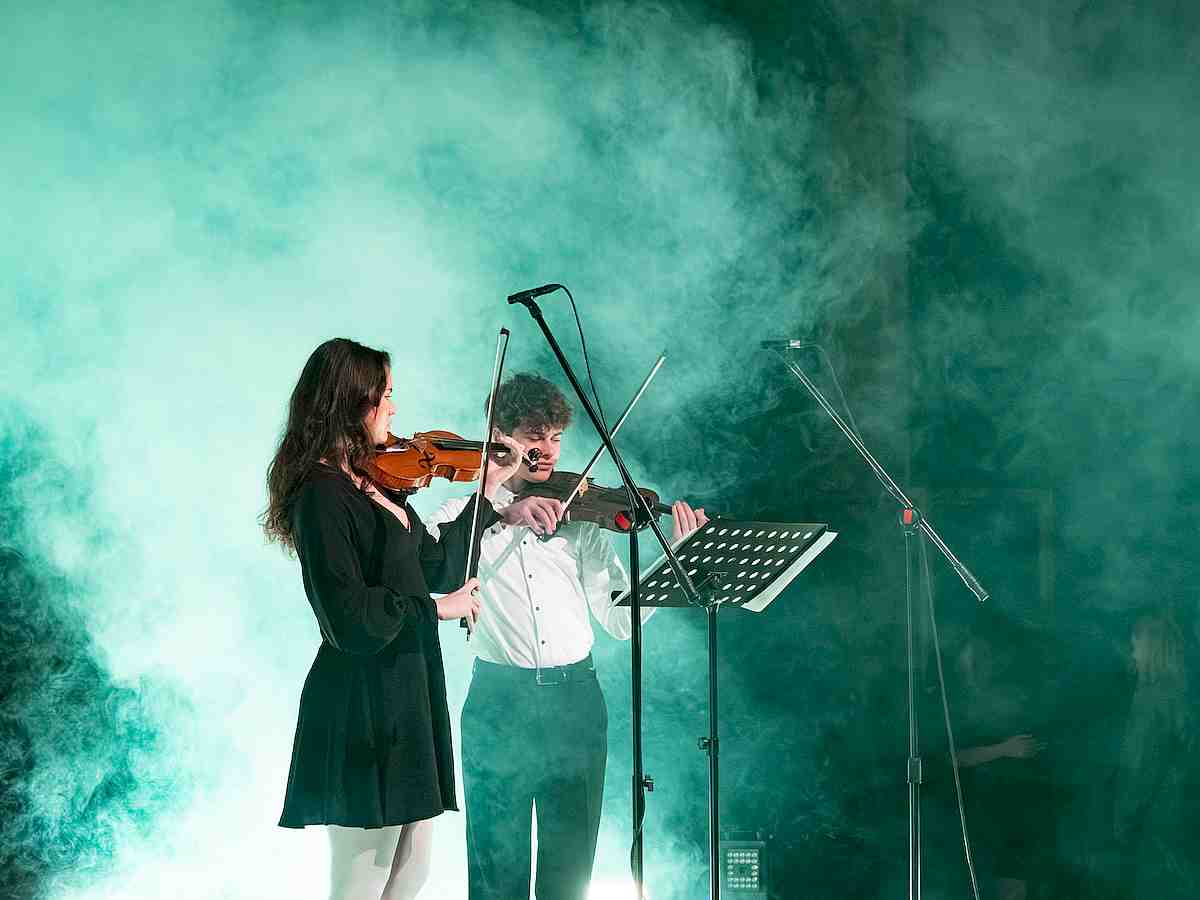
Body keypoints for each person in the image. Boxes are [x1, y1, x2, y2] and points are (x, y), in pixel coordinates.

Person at [263, 338, 530, 900]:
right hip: (361, 700)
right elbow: (348, 618)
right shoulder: (322, 496)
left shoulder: (380, 484)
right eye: (384, 395)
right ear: (349, 401)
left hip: (408, 690)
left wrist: (487, 489)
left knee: (411, 872)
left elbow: (438, 566)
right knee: (364, 879)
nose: (394, 407)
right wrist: (437, 608)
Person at [427, 372, 707, 900]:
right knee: (495, 871)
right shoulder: (460, 518)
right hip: (500, 701)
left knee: (570, 873)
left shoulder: (577, 517)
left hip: (576, 701)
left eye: (556, 437)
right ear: (500, 437)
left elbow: (620, 621)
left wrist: (675, 558)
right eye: (535, 436)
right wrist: (499, 512)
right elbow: (430, 576)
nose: (550, 451)